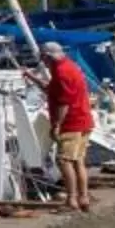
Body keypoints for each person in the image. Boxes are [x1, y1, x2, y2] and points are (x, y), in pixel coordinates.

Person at [42, 49, 97, 212]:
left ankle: (71, 199)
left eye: (43, 58)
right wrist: (32, 78)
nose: (42, 62)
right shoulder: (71, 67)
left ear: (48, 57)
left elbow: (64, 103)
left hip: (71, 123)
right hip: (84, 120)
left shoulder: (60, 73)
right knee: (78, 160)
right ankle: (84, 197)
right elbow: (53, 91)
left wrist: (56, 124)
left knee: (64, 161)